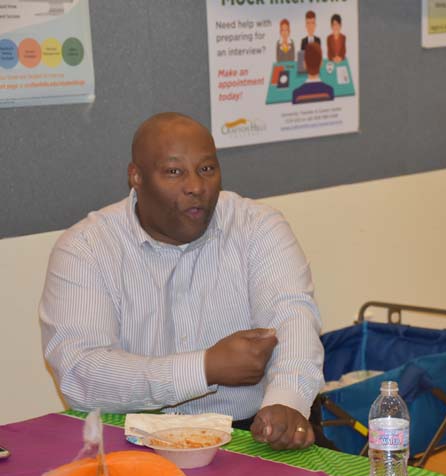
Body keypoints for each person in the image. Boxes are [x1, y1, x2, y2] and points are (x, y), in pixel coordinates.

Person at [40, 112, 326, 451]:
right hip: (134, 438)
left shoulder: (258, 227)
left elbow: (292, 318)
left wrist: (287, 402)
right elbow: (80, 371)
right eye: (174, 172)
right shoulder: (86, 249)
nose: (196, 186)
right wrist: (204, 368)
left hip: (251, 434)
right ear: (136, 177)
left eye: (206, 169)